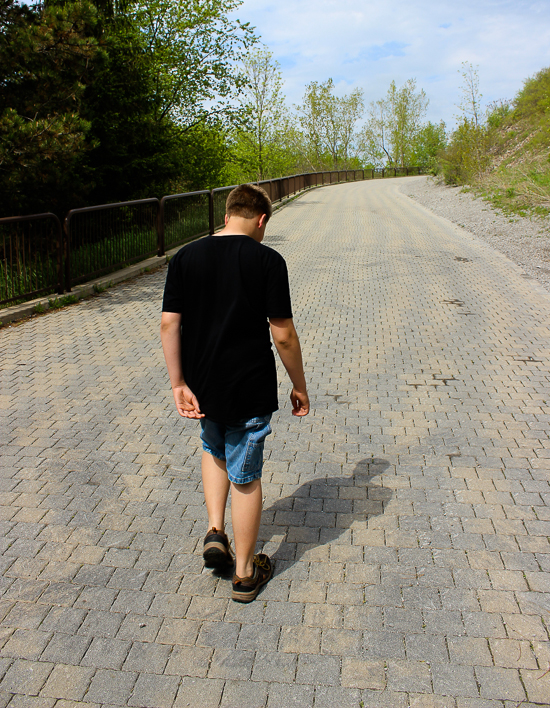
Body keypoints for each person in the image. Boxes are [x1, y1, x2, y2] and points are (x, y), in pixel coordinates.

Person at [160, 183, 309, 603]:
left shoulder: (185, 257)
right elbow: (283, 336)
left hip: (203, 382)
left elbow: (169, 325)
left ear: (227, 214)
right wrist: (299, 385)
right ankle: (244, 574)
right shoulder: (267, 260)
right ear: (261, 220)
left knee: (213, 448)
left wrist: (178, 383)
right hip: (249, 386)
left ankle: (216, 531)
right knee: (246, 473)